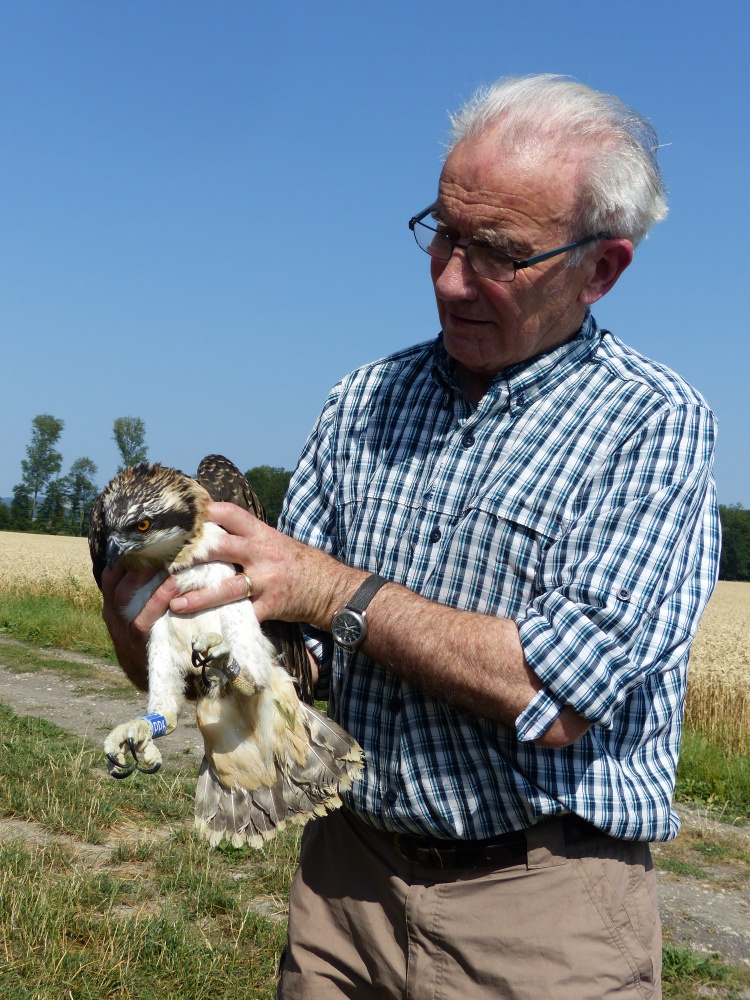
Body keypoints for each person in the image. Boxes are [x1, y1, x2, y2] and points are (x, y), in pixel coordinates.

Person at [102, 75, 720, 999]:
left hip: (539, 911)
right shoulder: (363, 400)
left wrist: (328, 588)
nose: (450, 278)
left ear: (601, 269)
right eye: (443, 232)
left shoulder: (651, 423)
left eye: (499, 252)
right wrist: (150, 621)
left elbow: (556, 696)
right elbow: (287, 673)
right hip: (343, 888)